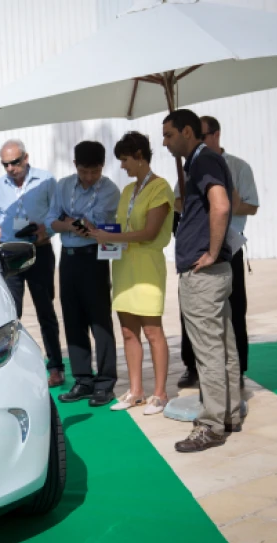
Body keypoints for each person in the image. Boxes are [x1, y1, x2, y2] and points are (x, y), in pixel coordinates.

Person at [162, 109, 242, 452]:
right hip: (216, 272)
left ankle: (211, 424)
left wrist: (209, 251)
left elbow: (222, 206)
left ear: (187, 132)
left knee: (209, 351)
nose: (165, 143)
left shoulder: (203, 161)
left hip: (204, 273)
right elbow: (227, 202)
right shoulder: (203, 161)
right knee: (224, 346)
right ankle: (229, 414)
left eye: (169, 135)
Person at [88, 132, 174, 415]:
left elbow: (150, 232)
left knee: (152, 331)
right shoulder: (127, 191)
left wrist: (114, 236)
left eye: (125, 160)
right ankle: (137, 391)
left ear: (139, 156)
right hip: (123, 266)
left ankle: (160, 393)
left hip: (147, 267)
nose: (122, 166)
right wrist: (102, 236)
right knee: (127, 332)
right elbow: (121, 230)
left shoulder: (160, 188)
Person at [174, 116, 259, 389]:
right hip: (200, 250)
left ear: (216, 134)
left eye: (204, 133)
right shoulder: (191, 166)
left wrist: (227, 205)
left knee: (233, 312)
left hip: (226, 247)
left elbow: (247, 206)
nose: (200, 139)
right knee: (195, 315)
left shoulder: (234, 166)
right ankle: (193, 367)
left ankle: (234, 378)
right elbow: (179, 202)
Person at [47, 141, 121, 407]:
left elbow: (93, 226)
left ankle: (105, 382)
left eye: (95, 171)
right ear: (75, 166)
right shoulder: (64, 185)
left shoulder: (111, 190)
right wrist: (68, 223)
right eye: (84, 171)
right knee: (73, 320)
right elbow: (51, 221)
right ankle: (83, 379)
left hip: (95, 259)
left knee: (100, 322)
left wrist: (70, 220)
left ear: (102, 167)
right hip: (68, 260)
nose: (89, 177)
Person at [0, 139, 65, 387]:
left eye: (14, 162)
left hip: (40, 250)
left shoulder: (46, 180)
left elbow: (57, 214)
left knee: (46, 311)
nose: (10, 168)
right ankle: (10, 368)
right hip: (11, 254)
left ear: (26, 158)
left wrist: (46, 231)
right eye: (5, 164)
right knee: (12, 313)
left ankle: (56, 366)